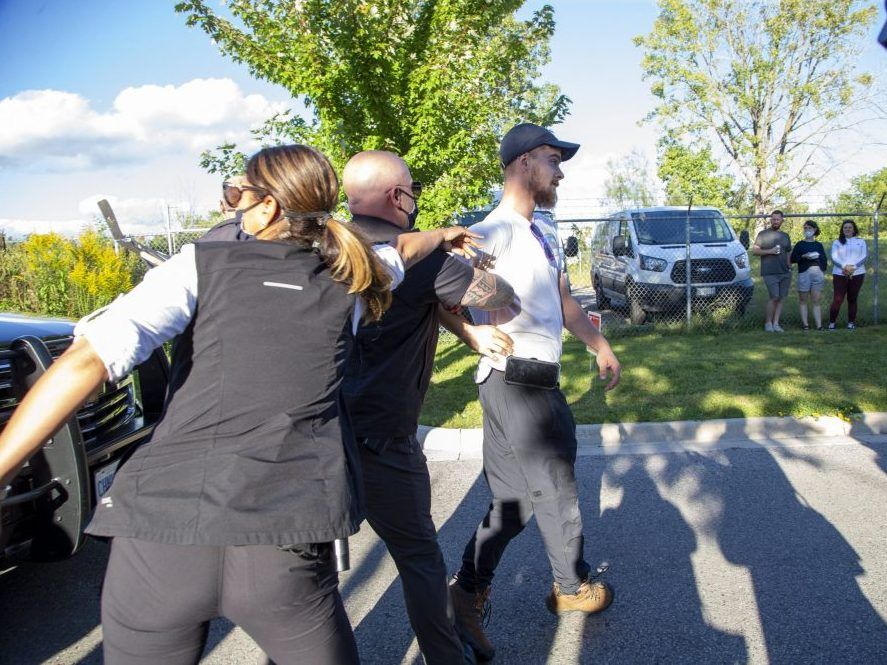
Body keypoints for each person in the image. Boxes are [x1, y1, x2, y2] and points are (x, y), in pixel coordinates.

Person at [0, 144, 480, 665]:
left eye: (235, 195)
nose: (230, 206)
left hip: (160, 535)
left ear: (267, 207)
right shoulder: (354, 279)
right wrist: (444, 234)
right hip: (284, 541)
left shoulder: (197, 267)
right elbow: (404, 247)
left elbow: (84, 363)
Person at [442, 123, 621, 662]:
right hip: (519, 382)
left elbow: (563, 301)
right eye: (553, 159)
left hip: (514, 382)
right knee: (556, 486)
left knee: (515, 503)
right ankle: (572, 587)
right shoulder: (491, 232)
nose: (560, 171)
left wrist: (598, 344)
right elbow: (435, 287)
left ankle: (466, 591)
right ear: (524, 163)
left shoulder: (539, 232)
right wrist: (470, 333)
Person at [340, 150, 515, 664]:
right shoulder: (425, 262)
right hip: (382, 439)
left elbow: (411, 299)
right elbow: (500, 296)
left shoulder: (330, 250)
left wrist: (459, 325)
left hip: (320, 432)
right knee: (419, 559)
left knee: (310, 575)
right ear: (398, 197)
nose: (414, 198)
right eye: (412, 189)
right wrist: (468, 267)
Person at [752, 210, 792, 332]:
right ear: (771, 220)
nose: (775, 221)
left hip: (785, 272)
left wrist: (789, 266)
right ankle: (768, 323)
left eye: (778, 219)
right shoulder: (763, 234)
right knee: (774, 296)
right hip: (769, 271)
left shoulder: (785, 236)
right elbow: (755, 251)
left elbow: (788, 252)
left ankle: (776, 323)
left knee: (781, 298)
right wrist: (770, 251)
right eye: (773, 219)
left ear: (782, 220)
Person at [828, 219, 868, 330]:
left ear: (854, 229)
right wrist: (844, 267)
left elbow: (864, 256)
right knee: (838, 299)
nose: (847, 229)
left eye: (850, 227)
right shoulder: (837, 242)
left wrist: (853, 268)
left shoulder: (861, 241)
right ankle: (832, 323)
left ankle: (851, 323)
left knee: (852, 298)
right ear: (842, 229)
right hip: (839, 273)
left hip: (857, 273)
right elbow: (834, 257)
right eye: (845, 227)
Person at [790, 220, 828, 330]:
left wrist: (819, 264)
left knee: (816, 301)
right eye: (805, 228)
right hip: (804, 273)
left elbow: (824, 260)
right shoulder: (800, 244)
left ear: (814, 229)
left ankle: (819, 326)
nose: (807, 230)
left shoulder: (818, 245)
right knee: (803, 300)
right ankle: (805, 325)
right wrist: (803, 256)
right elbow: (793, 258)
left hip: (817, 273)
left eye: (809, 228)